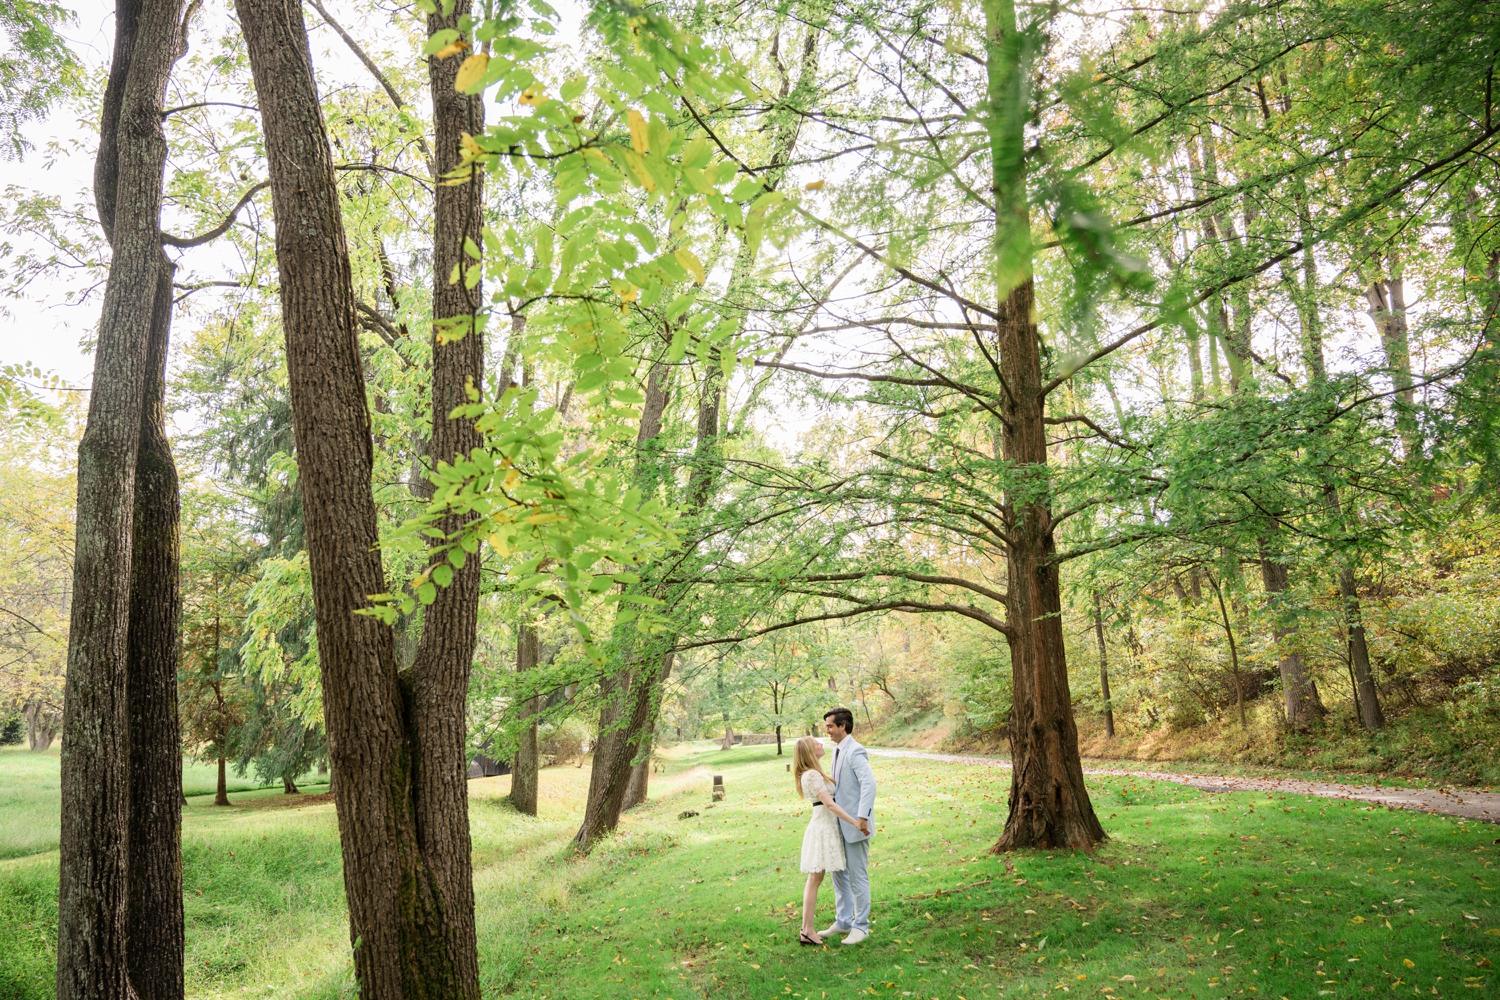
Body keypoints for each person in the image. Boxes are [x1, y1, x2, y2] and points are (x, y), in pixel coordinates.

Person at [792, 736, 861, 946]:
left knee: (819, 878)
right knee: (815, 878)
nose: (822, 745)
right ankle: (807, 930)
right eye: (817, 744)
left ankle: (827, 924)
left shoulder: (816, 772)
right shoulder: (811, 775)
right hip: (823, 829)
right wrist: (856, 821)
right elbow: (830, 805)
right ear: (809, 751)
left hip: (828, 827)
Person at [820, 706, 876, 944]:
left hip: (855, 825)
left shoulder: (855, 751)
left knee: (857, 877)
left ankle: (861, 926)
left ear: (843, 726)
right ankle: (843, 922)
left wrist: (862, 817)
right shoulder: (837, 750)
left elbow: (869, 784)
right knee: (838, 875)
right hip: (838, 825)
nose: (827, 731)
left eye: (830, 726)